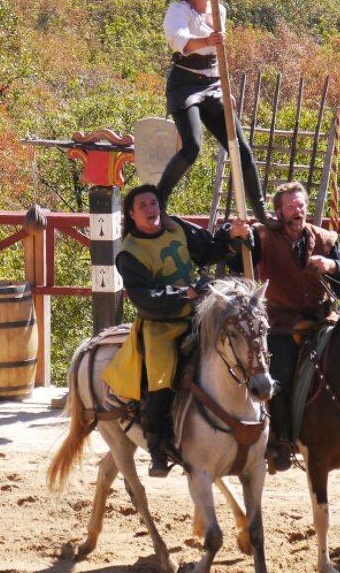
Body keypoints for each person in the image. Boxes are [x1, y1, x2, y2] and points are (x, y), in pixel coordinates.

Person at [102, 183, 252, 477]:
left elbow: (208, 252)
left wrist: (232, 238)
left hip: (199, 314)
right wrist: (184, 295)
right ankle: (158, 448)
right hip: (161, 325)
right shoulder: (129, 253)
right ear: (132, 215)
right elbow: (144, 298)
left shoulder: (176, 229)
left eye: (153, 203)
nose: (150, 209)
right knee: (161, 379)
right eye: (142, 206)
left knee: (244, 342)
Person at [158, 0, 279, 229]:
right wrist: (208, 41)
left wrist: (226, 88)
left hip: (213, 84)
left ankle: (260, 211)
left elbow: (220, 56)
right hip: (185, 84)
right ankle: (159, 201)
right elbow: (181, 42)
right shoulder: (179, 11)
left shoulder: (220, 11)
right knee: (192, 147)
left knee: (240, 148)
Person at [251, 181, 340, 472]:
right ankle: (281, 441)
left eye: (301, 205)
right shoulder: (263, 237)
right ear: (279, 211)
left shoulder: (325, 238)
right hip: (281, 323)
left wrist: (331, 266)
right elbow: (236, 256)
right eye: (291, 207)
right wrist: (235, 236)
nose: (298, 211)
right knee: (281, 374)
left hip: (321, 320)